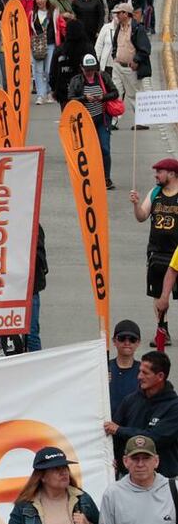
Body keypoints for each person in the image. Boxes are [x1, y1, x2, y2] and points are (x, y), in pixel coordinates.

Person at [99, 436, 178, 524]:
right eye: (135, 458)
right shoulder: (113, 494)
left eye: (146, 458)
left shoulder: (174, 489)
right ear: (125, 461)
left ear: (156, 461)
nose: (140, 464)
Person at [105, 351, 178, 477]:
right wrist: (113, 458)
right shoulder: (130, 400)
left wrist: (119, 430)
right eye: (139, 371)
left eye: (145, 373)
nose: (139, 376)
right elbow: (113, 435)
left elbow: (154, 439)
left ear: (160, 376)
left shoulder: (174, 407)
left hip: (164, 479)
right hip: (128, 477)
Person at [134, 158, 178, 347]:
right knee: (158, 294)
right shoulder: (155, 193)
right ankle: (162, 329)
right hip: (157, 252)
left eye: (159, 171)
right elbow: (142, 216)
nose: (156, 175)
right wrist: (136, 204)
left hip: (176, 252)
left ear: (172, 174)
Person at [66, 54, 118, 188]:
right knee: (87, 151)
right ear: (82, 68)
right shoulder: (76, 80)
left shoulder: (103, 77)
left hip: (103, 119)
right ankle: (89, 177)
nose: (90, 72)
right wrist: (84, 98)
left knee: (104, 148)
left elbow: (115, 93)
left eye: (92, 69)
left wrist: (103, 97)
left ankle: (106, 178)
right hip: (84, 121)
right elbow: (70, 99)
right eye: (87, 70)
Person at [109, 320, 143, 415]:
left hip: (134, 426)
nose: (127, 343)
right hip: (107, 425)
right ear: (114, 341)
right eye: (122, 338)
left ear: (138, 343)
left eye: (132, 339)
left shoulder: (145, 371)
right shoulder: (104, 368)